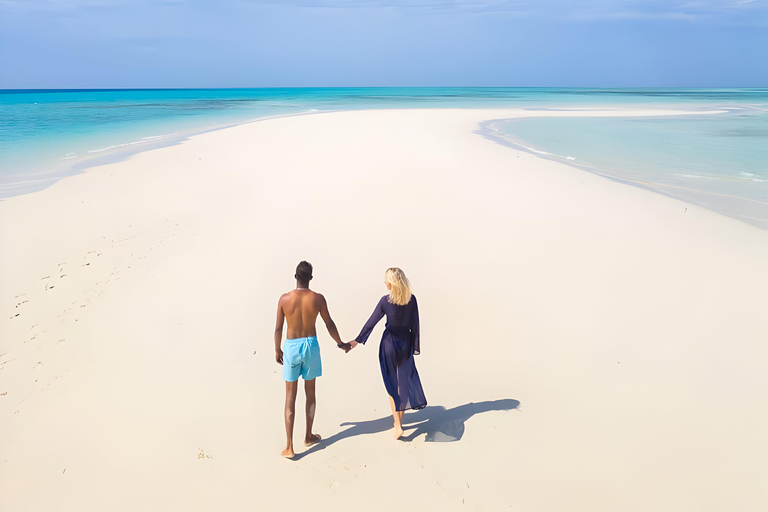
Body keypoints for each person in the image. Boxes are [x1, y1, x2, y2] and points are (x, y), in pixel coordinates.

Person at [274, 261, 350, 458]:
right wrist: (340, 343)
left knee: (290, 397)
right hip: (311, 346)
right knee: (310, 393)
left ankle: (289, 446)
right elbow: (329, 323)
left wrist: (277, 350)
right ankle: (308, 435)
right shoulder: (318, 299)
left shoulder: (284, 299)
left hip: (291, 346)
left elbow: (278, 328)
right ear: (311, 278)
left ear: (295, 276)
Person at [349, 267, 426, 440]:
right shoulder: (412, 300)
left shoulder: (385, 301)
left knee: (392, 384)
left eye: (386, 280)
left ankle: (398, 425)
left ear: (392, 282)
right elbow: (415, 325)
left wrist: (358, 340)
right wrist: (414, 347)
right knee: (403, 384)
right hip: (405, 344)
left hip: (389, 345)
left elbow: (372, 322)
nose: (384, 283)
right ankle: (398, 422)